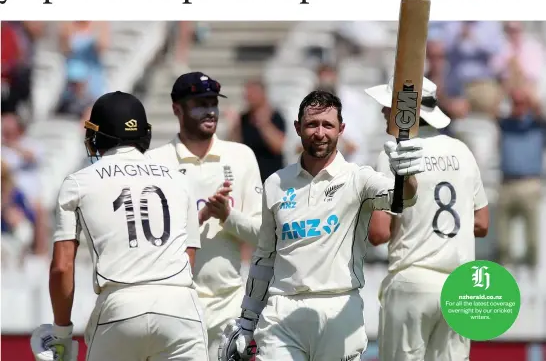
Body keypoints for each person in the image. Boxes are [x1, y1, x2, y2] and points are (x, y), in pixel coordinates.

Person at [218, 90, 425, 361]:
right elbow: (264, 257)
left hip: (338, 308)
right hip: (283, 311)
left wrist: (406, 174)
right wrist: (247, 319)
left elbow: (404, 197)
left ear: (341, 129)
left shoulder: (358, 178)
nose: (319, 132)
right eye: (312, 125)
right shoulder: (276, 183)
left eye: (327, 125)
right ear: (297, 128)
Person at [30, 91, 207, 361]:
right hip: (181, 308)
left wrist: (62, 334)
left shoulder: (78, 182)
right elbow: (188, 256)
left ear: (98, 135)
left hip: (120, 308)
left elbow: (62, 266)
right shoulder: (179, 179)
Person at [364, 77, 490, 361]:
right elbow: (482, 223)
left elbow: (379, 233)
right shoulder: (462, 151)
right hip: (459, 287)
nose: (383, 112)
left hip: (412, 281)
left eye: (388, 106)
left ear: (405, 111)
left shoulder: (395, 154)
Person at [145, 71, 263, 361]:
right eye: (199, 103)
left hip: (230, 305)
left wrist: (227, 215)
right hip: (175, 304)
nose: (210, 110)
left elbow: (263, 236)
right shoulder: (154, 163)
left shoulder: (241, 156)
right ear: (176, 109)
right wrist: (195, 219)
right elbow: (149, 242)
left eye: (213, 102)